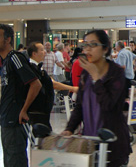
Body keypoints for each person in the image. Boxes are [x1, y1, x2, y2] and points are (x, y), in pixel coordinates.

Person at [61, 30, 132, 166]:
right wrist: (70, 128)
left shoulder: (116, 73)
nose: (87, 49)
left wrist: (96, 78)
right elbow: (80, 106)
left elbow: (109, 106)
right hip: (90, 143)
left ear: (105, 48)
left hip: (112, 142)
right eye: (85, 45)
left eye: (93, 45)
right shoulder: (85, 74)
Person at [0, 24, 42, 167]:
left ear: (8, 39)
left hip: (15, 121)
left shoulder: (14, 58)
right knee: (9, 160)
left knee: (15, 160)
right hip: (6, 120)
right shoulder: (5, 61)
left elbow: (36, 84)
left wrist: (24, 109)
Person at [27, 42, 78, 130]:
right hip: (36, 110)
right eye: (42, 50)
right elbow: (53, 84)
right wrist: (72, 88)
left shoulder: (39, 67)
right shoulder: (32, 68)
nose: (44, 52)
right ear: (34, 54)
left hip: (42, 109)